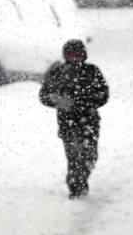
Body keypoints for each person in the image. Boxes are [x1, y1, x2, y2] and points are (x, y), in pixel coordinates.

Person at [39, 40, 110, 199]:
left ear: (84, 55)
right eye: (72, 55)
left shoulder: (92, 71)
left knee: (90, 156)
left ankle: (82, 178)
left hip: (89, 121)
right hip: (67, 123)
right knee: (74, 158)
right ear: (66, 56)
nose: (76, 58)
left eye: (79, 55)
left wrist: (87, 102)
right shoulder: (57, 72)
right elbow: (44, 95)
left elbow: (104, 94)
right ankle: (76, 189)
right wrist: (57, 101)